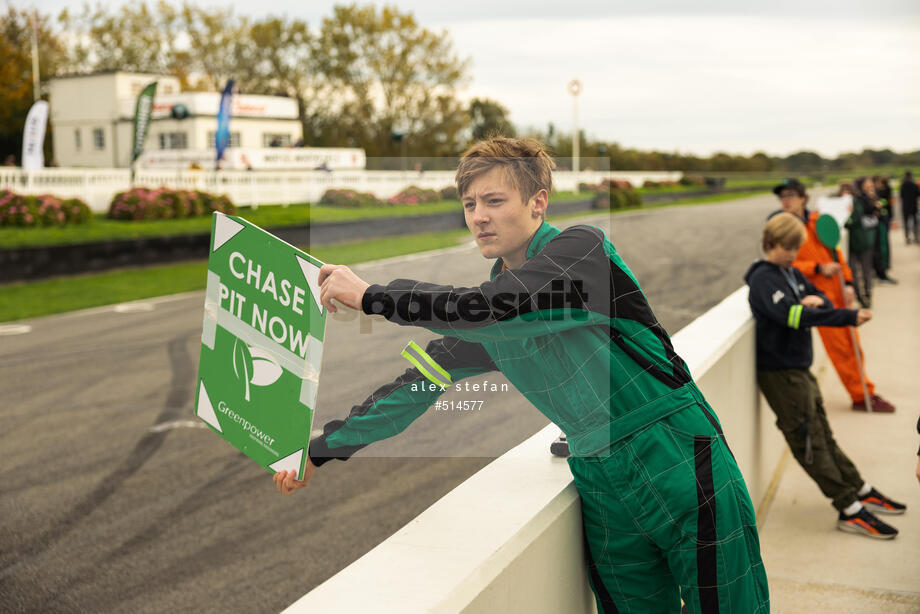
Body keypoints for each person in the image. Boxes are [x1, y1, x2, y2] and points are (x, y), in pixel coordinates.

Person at [275, 137, 770, 613]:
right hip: (599, 479)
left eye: (494, 200)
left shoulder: (582, 250)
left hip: (676, 451)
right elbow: (413, 389)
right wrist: (319, 452)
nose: (479, 216)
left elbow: (496, 307)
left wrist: (372, 296)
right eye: (469, 205)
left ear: (539, 202)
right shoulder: (485, 315)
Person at [745, 213, 906, 539]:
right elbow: (793, 315)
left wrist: (825, 307)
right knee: (809, 442)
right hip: (780, 374)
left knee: (823, 434)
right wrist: (829, 312)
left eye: (796, 248)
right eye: (786, 247)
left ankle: (858, 488)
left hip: (798, 369)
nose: (792, 254)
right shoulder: (764, 279)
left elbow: (819, 301)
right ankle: (848, 508)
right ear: (769, 243)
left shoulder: (790, 273)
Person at [770, 178, 894, 412]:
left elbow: (836, 253)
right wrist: (817, 268)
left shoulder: (818, 221)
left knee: (853, 344)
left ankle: (867, 391)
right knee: (839, 349)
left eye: (790, 195)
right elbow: (785, 263)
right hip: (817, 298)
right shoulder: (782, 228)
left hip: (837, 290)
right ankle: (860, 396)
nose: (785, 200)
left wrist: (848, 282)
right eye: (782, 196)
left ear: (803, 198)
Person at [845, 177, 880, 306]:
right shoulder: (853, 201)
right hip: (854, 241)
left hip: (863, 240)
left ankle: (867, 295)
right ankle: (860, 296)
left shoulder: (860, 200)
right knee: (854, 270)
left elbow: (858, 218)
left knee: (865, 270)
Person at [872, 176, 896, 282]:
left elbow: (886, 204)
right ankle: (882, 269)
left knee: (883, 246)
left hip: (883, 220)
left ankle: (884, 267)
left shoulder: (884, 192)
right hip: (881, 221)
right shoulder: (879, 192)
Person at [900, 171, 919, 244]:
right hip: (913, 205)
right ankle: (916, 237)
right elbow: (918, 194)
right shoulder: (914, 184)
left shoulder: (903, 185)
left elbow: (901, 195)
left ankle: (907, 237)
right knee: (915, 222)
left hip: (905, 206)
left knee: (906, 222)